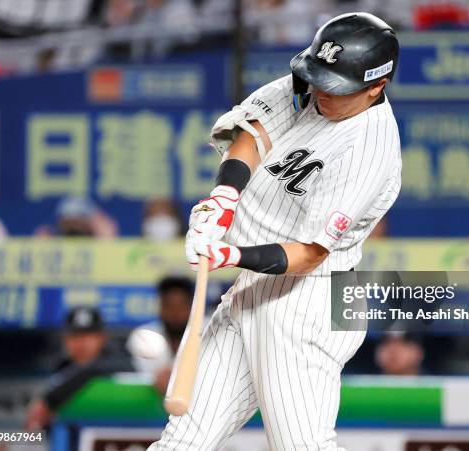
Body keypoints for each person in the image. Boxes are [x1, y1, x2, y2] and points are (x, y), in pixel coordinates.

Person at [150, 12, 401, 450]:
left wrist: (232, 256)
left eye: (336, 86)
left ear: (376, 86)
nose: (321, 91)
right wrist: (225, 197)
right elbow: (254, 131)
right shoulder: (314, 83)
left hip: (311, 299)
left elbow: (309, 253)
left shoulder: (370, 149)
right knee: (183, 440)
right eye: (318, 78)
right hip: (255, 287)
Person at [25, 306, 133, 430]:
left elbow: (95, 369)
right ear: (65, 339)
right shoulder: (60, 370)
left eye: (88, 335)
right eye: (75, 335)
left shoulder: (117, 362)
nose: (81, 343)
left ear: (102, 338)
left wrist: (49, 401)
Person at [127, 276, 194, 393]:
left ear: (191, 308)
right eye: (169, 306)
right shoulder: (143, 336)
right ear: (160, 307)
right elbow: (145, 376)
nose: (175, 313)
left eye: (181, 306)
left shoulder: (209, 336)